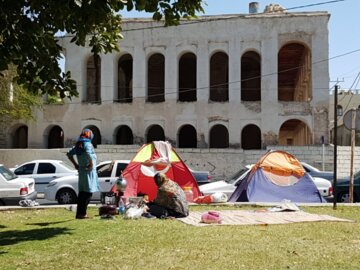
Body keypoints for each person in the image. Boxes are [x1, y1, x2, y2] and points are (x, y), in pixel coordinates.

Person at [67, 128, 99, 219]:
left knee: (82, 193)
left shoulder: (78, 144)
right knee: (88, 193)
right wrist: (91, 164)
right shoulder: (88, 144)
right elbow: (89, 154)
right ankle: (82, 213)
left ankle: (80, 213)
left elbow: (69, 154)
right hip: (88, 171)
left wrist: (76, 165)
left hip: (82, 171)